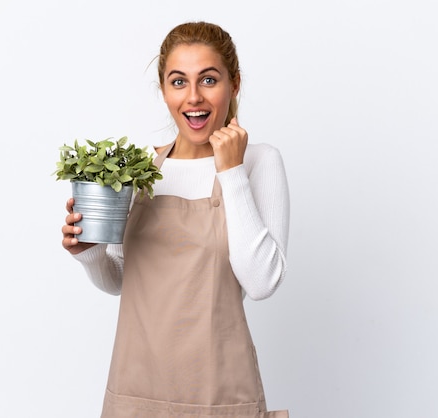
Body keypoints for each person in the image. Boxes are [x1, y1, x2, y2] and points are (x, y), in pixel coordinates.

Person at [61, 21, 290, 418]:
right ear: (164, 90)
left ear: (234, 85)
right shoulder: (138, 168)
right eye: (179, 81)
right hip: (137, 389)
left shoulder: (258, 161)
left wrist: (231, 172)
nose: (194, 97)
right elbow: (120, 280)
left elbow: (261, 283)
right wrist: (90, 254)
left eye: (209, 79)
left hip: (221, 392)